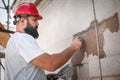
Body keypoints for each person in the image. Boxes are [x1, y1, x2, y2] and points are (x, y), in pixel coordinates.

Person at [5, 2, 82, 80]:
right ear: (22, 21)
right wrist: (72, 48)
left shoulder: (13, 40)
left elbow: (24, 73)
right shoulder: (22, 39)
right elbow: (51, 64)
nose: (37, 24)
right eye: (34, 20)